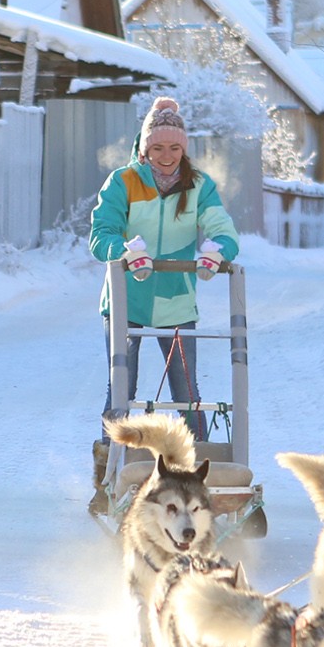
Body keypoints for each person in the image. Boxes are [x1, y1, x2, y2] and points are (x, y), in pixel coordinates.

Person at [87, 95, 240, 413]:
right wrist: (125, 253)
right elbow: (102, 235)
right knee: (122, 388)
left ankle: (194, 453)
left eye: (174, 148)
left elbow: (223, 231)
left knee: (186, 391)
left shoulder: (199, 185)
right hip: (126, 298)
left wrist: (217, 252)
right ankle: (111, 456)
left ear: (184, 149)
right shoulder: (123, 182)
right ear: (144, 149)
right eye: (157, 148)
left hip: (177, 302)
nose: (166, 156)